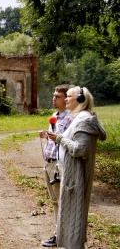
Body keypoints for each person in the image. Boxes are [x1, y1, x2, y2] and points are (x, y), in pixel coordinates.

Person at [47, 86, 107, 248]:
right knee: (69, 214)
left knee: (74, 215)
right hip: (71, 174)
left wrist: (59, 139)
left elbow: (80, 149)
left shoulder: (84, 120)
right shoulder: (80, 118)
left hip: (76, 177)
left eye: (70, 97)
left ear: (80, 100)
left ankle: (74, 245)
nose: (66, 99)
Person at [39, 84, 74, 247]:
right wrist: (46, 135)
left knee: (62, 201)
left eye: (57, 96)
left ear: (66, 99)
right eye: (53, 95)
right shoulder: (54, 115)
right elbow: (54, 137)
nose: (54, 98)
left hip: (60, 165)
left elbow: (69, 141)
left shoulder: (71, 118)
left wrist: (57, 137)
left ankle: (63, 235)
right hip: (48, 162)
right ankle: (59, 233)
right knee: (54, 201)